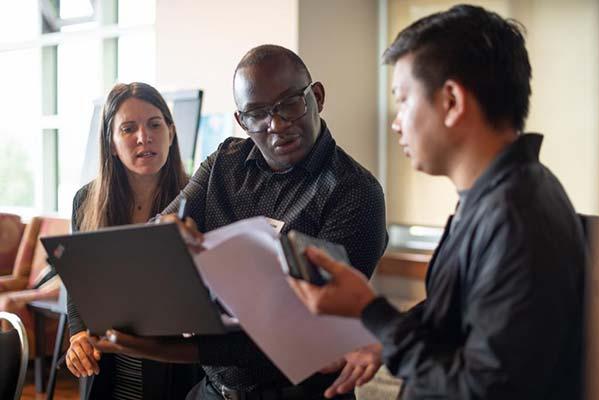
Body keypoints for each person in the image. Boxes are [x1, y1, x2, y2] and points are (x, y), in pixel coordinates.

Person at [288, 5, 585, 400]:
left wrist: (372, 311)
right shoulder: (496, 197)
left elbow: (483, 388)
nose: (396, 122)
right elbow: (465, 319)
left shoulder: (517, 218)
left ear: (451, 101)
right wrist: (383, 335)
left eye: (404, 100)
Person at [91, 45, 388, 400]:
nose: (276, 125)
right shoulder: (223, 163)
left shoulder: (355, 192)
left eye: (289, 104)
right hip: (214, 390)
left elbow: (305, 333)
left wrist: (165, 351)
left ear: (317, 97)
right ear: (241, 121)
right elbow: (162, 228)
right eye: (257, 114)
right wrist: (167, 234)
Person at [65, 82, 200, 399]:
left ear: (171, 131)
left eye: (155, 124)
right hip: (107, 368)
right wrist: (77, 337)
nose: (144, 137)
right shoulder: (86, 200)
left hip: (175, 372)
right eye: (128, 129)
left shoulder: (196, 198)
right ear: (111, 143)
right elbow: (78, 282)